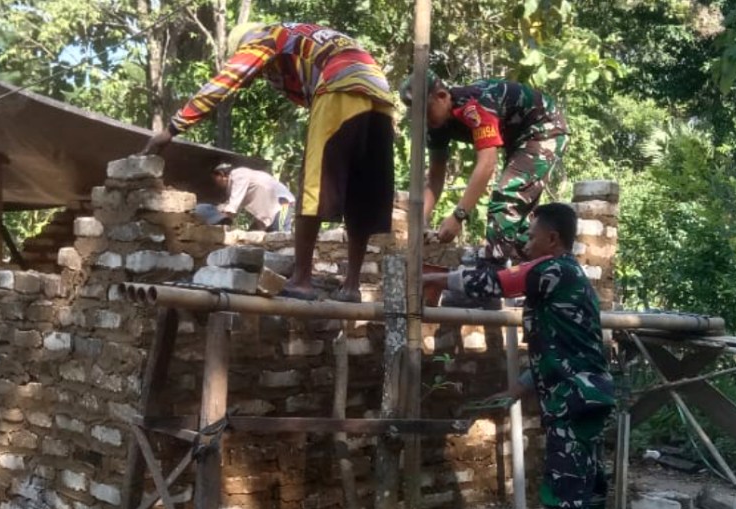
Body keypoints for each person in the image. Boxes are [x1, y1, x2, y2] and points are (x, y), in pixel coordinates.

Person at [423, 203, 614, 509]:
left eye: (531, 237)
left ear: (552, 239)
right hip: (576, 399)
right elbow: (566, 345)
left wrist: (431, 279)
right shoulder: (563, 278)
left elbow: (497, 282)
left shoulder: (555, 270)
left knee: (568, 503)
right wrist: (522, 385)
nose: (525, 245)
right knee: (580, 497)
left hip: (575, 403)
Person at [142, 22, 395, 302]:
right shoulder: (305, 41)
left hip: (339, 85)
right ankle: (351, 287)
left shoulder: (266, 36)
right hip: (380, 93)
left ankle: (301, 280)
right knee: (360, 192)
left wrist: (171, 130)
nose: (255, 78)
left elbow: (226, 81)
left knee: (313, 184)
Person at [399, 73, 568, 265]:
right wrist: (421, 220)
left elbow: (487, 164)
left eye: (426, 111)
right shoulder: (435, 125)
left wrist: (458, 216)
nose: (424, 120)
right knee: (519, 227)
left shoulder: (474, 106)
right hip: (515, 139)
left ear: (442, 96)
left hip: (543, 127)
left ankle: (490, 275)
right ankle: (537, 273)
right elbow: (436, 176)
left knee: (507, 196)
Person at [195, 163, 295, 232]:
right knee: (258, 241)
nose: (215, 184)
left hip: (281, 204)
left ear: (222, 175)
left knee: (281, 238)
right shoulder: (235, 187)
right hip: (267, 214)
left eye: (215, 179)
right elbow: (229, 208)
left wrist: (213, 223)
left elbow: (232, 209)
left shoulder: (238, 175)